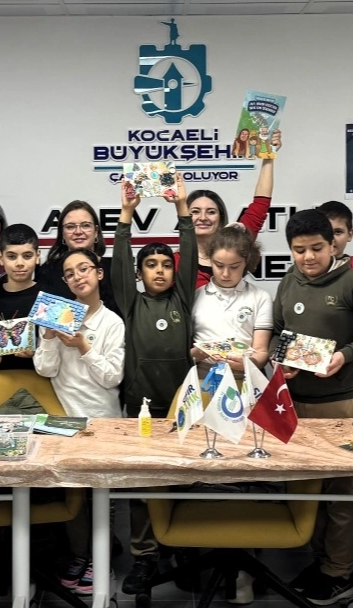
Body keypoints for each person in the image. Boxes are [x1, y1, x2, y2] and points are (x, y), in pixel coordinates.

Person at [272, 209, 353, 605]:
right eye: (299, 250)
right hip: (297, 404)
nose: (308, 257)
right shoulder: (288, 282)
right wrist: (283, 360)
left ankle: (339, 572)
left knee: (343, 493)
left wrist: (346, 355)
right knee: (309, 490)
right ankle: (321, 561)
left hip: (344, 403)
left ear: (333, 245)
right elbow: (278, 332)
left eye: (316, 248)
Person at [112, 176, 194, 597]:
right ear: (139, 272)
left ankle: (180, 550)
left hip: (183, 409)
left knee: (183, 481)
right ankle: (144, 555)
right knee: (143, 484)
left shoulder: (182, 299)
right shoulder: (131, 302)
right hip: (141, 409)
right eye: (151, 264)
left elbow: (190, 252)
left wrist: (182, 209)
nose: (159, 270)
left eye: (165, 264)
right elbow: (119, 260)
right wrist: (126, 215)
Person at [34, 249, 125, 596]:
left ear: (98, 273)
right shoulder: (58, 315)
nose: (77, 277)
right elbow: (46, 370)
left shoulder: (112, 322)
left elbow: (112, 377)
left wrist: (84, 346)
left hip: (103, 420)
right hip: (65, 421)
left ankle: (101, 561)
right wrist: (48, 337)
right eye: (70, 273)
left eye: (83, 269)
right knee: (73, 494)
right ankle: (80, 555)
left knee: (102, 496)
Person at [179, 131, 280, 289]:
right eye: (195, 212)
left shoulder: (237, 243)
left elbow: (261, 203)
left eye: (211, 212)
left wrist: (269, 155)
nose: (203, 217)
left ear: (220, 217)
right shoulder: (175, 261)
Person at [192, 225, 272, 377]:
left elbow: (261, 351)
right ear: (210, 259)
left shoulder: (260, 297)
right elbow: (185, 354)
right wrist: (193, 355)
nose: (225, 274)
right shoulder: (196, 296)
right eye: (219, 265)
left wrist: (248, 364)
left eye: (234, 267)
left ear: (246, 261)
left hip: (246, 379)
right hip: (203, 378)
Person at [0, 224, 43, 371]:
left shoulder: (48, 299)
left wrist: (37, 353)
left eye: (27, 256)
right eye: (12, 256)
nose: (19, 263)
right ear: (1, 257)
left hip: (38, 379)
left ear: (38, 256)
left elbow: (59, 349)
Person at [38, 200, 116, 313]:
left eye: (85, 225)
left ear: (96, 231)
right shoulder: (47, 271)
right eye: (70, 227)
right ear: (62, 234)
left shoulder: (114, 269)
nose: (78, 231)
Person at [317, 201, 353, 270]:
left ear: (350, 235)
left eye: (338, 232)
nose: (331, 239)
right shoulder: (305, 268)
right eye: (325, 231)